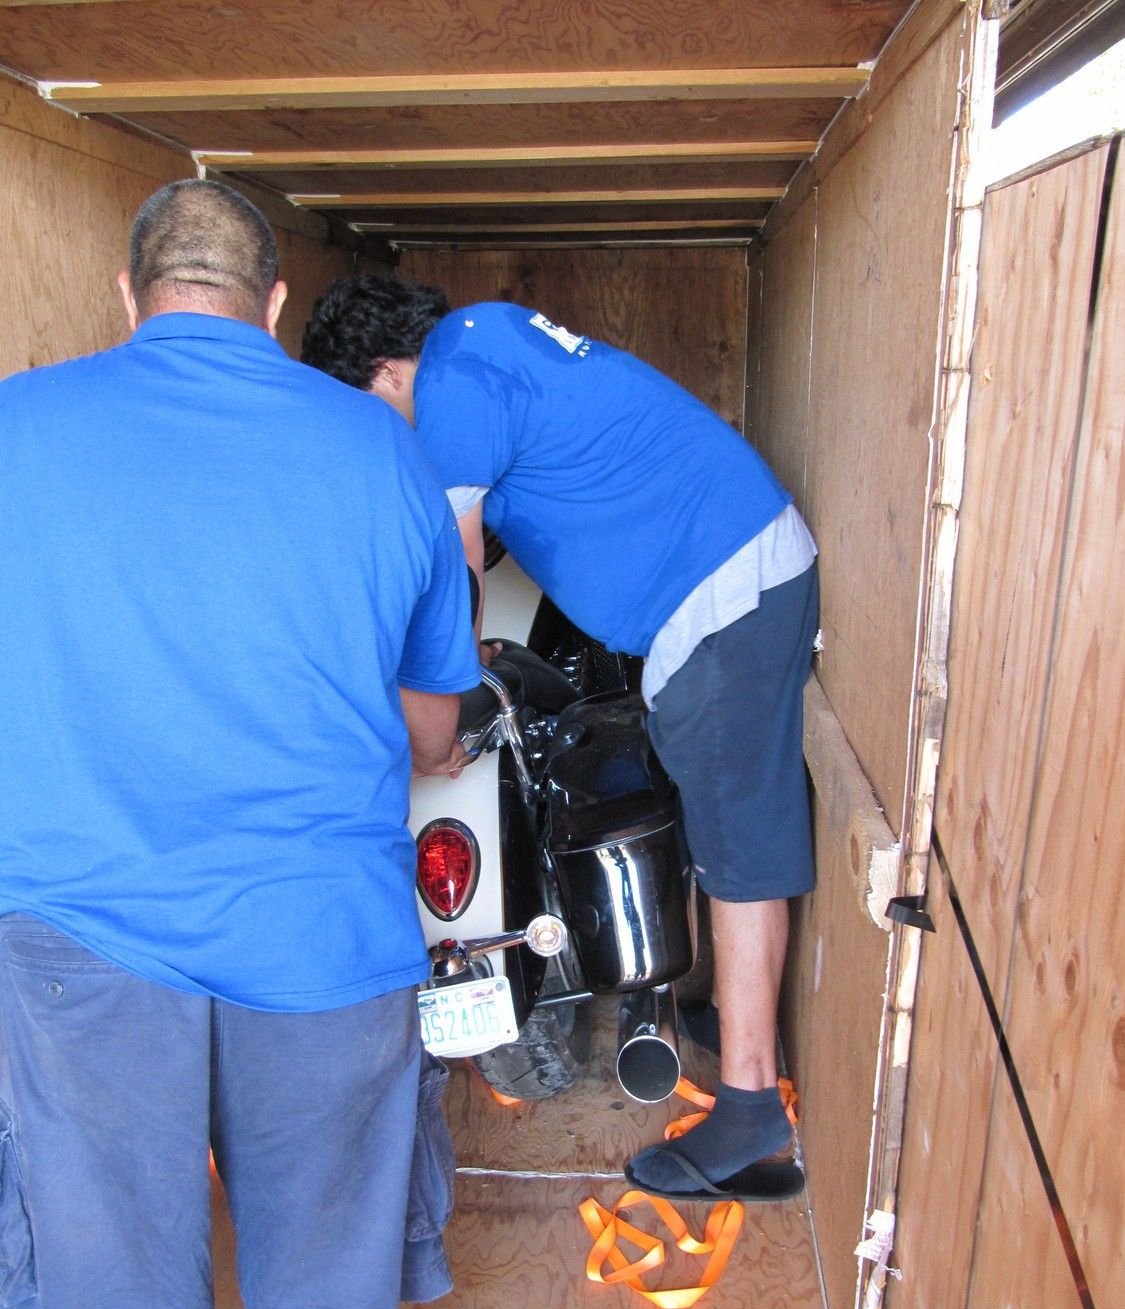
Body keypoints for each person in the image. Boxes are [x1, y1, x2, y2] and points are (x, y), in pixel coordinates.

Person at [0, 185, 479, 1309]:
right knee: (321, 1273)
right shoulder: (380, 452)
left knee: (68, 1270)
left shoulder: (13, 429)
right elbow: (434, 730)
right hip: (320, 933)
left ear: (127, 292)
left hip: (75, 940)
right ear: (273, 304)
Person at [301, 277, 819, 1204]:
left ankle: (749, 1110)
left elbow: (449, 596)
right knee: (718, 818)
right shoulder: (485, 337)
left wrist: (434, 730)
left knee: (740, 850)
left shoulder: (449, 387)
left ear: (383, 374)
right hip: (727, 574)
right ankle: (717, 1008)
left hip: (720, 593)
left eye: (370, 410)